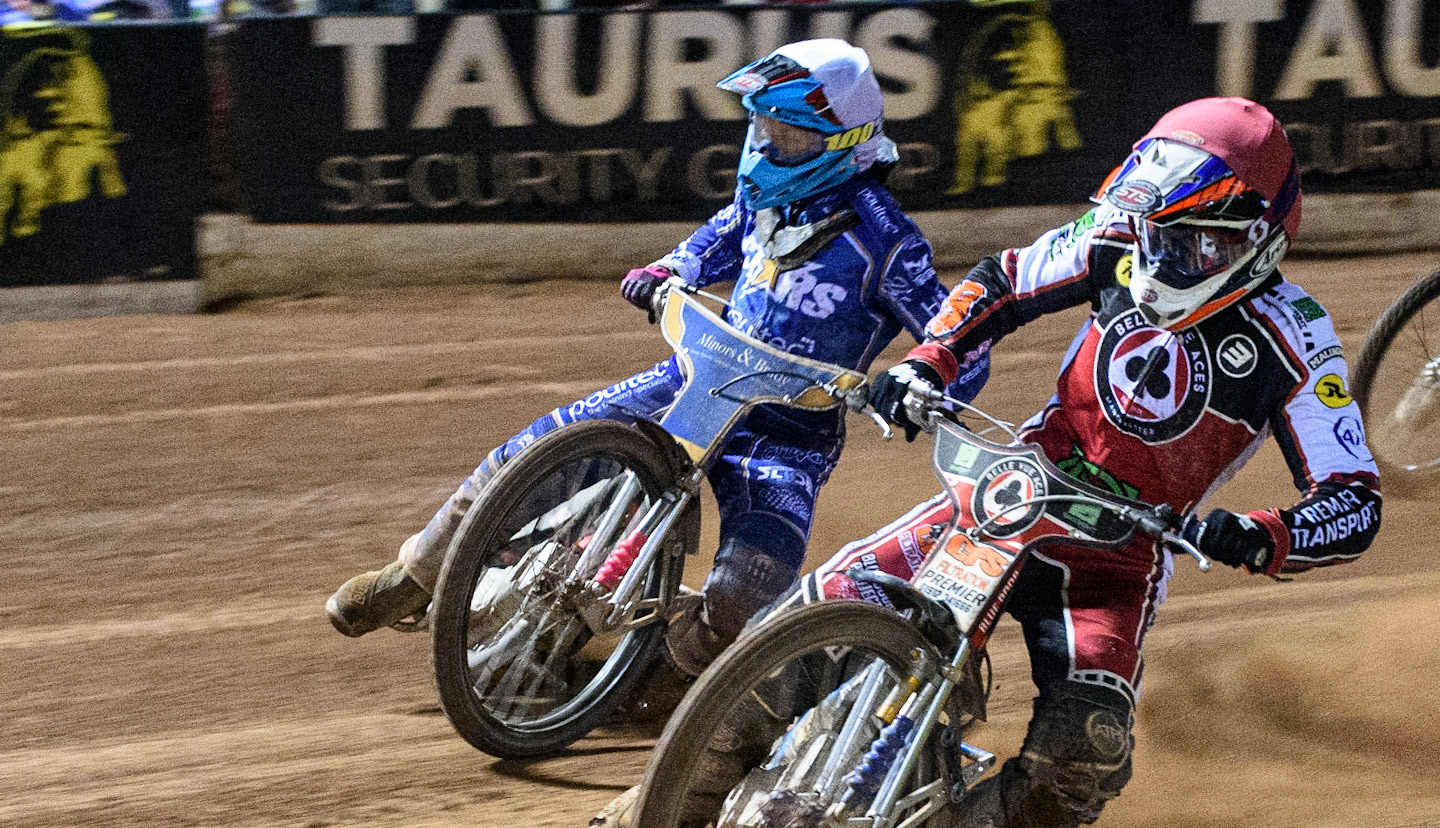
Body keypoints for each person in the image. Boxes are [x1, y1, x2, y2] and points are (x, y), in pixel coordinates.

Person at [579, 98, 1383, 828]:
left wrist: (1258, 534)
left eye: (1195, 242)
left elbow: (1353, 495)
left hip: (1113, 558)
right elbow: (998, 283)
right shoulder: (1114, 238)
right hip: (1009, 490)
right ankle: (671, 799)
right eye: (1155, 231)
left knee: (1089, 753)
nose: (1163, 256)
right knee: (811, 619)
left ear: (1259, 237)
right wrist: (927, 362)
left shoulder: (1296, 339)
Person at [326, 40, 989, 728]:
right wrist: (671, 268)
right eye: (760, 123)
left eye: (785, 131)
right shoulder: (762, 198)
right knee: (533, 451)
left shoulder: (887, 241)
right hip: (691, 378)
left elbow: (955, 340)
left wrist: (921, 383)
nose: (766, 140)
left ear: (839, 141)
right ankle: (413, 578)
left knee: (744, 593)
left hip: (785, 439)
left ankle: (656, 681)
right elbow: (724, 233)